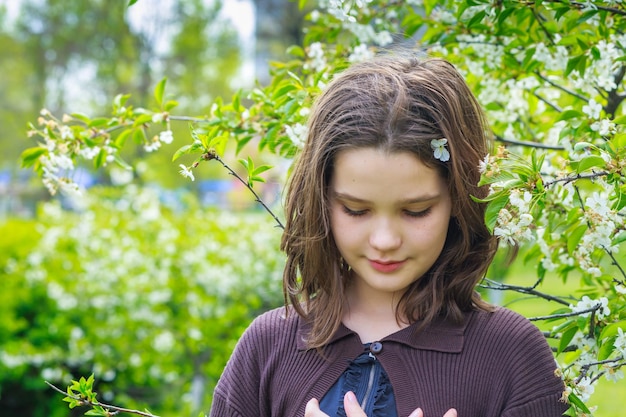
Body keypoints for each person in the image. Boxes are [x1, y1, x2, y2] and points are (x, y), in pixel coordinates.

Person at [208, 54, 568, 417]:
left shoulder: (511, 357)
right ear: (321, 201)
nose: (384, 240)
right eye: (356, 210)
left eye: (416, 211)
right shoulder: (267, 348)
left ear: (459, 201)